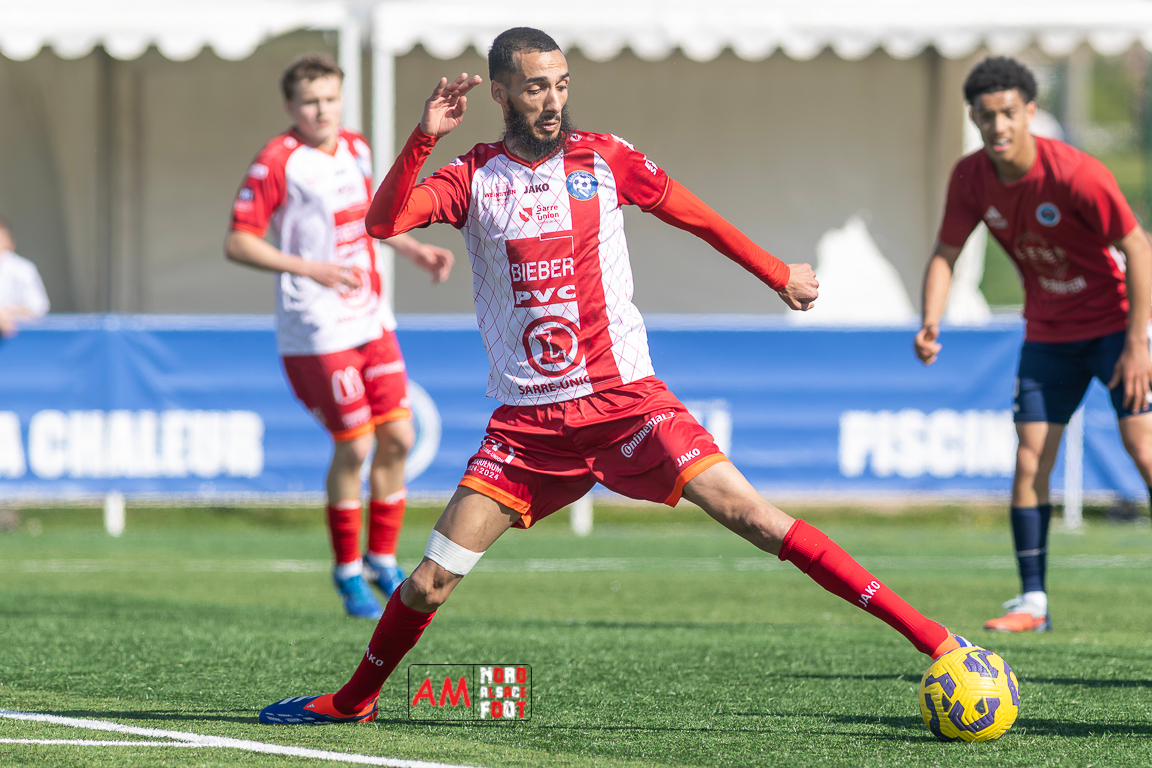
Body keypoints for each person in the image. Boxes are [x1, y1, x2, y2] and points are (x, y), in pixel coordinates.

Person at [259, 27, 966, 725]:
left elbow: (696, 216)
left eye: (562, 85)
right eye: (536, 88)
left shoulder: (605, 159)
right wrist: (423, 138)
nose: (553, 101)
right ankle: (351, 702)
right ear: (500, 94)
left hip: (625, 401)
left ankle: (938, 642)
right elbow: (383, 224)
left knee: (755, 517)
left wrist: (776, 272)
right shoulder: (472, 176)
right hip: (527, 427)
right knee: (429, 581)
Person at [915, 57, 1152, 633]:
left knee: (1143, 448)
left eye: (1008, 113)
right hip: (1048, 335)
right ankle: (1032, 603)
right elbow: (945, 254)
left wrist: (1137, 344)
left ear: (1030, 112)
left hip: (1114, 328)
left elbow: (1138, 248)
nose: (998, 126)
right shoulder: (970, 178)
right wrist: (930, 320)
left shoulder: (1076, 173)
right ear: (973, 117)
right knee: (1029, 459)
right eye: (986, 115)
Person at [226, 53, 456, 620]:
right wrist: (311, 269)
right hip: (317, 326)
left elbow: (371, 219)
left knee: (398, 436)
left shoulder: (355, 147)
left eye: (330, 98)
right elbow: (239, 241)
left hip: (370, 317)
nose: (321, 110)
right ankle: (347, 570)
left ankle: (381, 558)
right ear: (290, 106)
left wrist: (413, 248)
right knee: (354, 444)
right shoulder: (278, 160)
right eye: (310, 101)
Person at [0, 216, 50, 337]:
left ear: (9, 241)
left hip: (18, 340)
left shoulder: (22, 268)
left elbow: (38, 308)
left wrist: (9, 313)